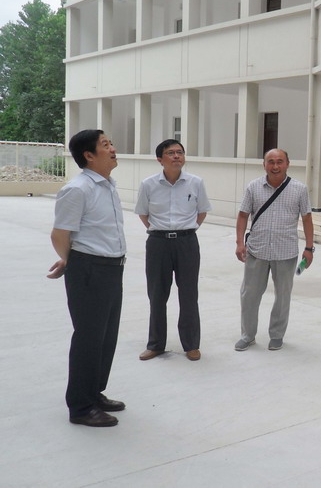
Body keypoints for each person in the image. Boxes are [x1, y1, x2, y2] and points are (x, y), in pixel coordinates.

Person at [47, 129, 127, 427]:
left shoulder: (107, 185)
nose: (113, 148)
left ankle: (94, 393)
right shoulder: (78, 189)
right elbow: (59, 234)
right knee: (89, 338)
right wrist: (72, 261)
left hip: (111, 267)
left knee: (106, 337)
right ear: (89, 155)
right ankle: (80, 407)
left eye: (111, 143)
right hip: (90, 269)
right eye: (105, 145)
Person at [135, 139, 212, 362]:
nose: (177, 156)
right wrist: (160, 231)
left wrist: (187, 230)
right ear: (160, 159)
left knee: (189, 294)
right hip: (158, 243)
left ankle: (191, 345)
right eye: (171, 153)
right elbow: (143, 213)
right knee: (157, 294)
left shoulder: (196, 182)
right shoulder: (148, 184)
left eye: (180, 152)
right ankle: (156, 344)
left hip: (187, 243)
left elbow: (202, 211)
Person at [234, 149, 314, 352]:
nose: (275, 166)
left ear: (287, 164)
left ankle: (277, 335)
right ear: (264, 164)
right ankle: (247, 335)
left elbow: (307, 218)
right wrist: (239, 243)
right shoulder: (253, 187)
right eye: (271, 162)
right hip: (257, 250)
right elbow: (243, 215)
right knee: (249, 294)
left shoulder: (299, 189)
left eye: (280, 161)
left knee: (283, 296)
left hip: (285, 252)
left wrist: (309, 248)